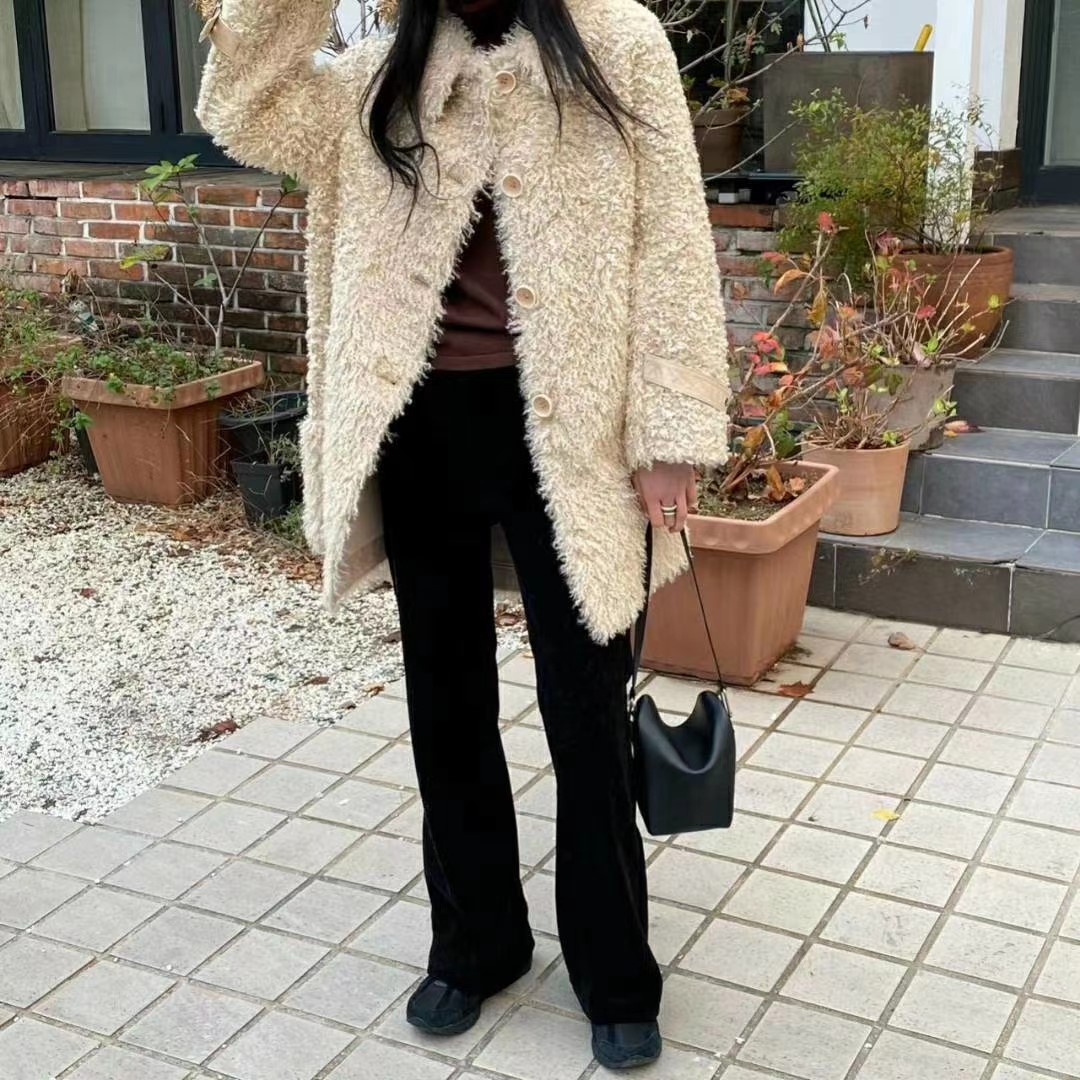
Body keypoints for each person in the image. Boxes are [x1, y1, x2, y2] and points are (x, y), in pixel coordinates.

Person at [197, 0, 729, 1068]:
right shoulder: (377, 73)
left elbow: (673, 243)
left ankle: (614, 969)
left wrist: (669, 432)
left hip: (573, 434)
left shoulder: (618, 43)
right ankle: (476, 941)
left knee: (585, 709)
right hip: (420, 426)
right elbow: (245, 108)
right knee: (444, 704)